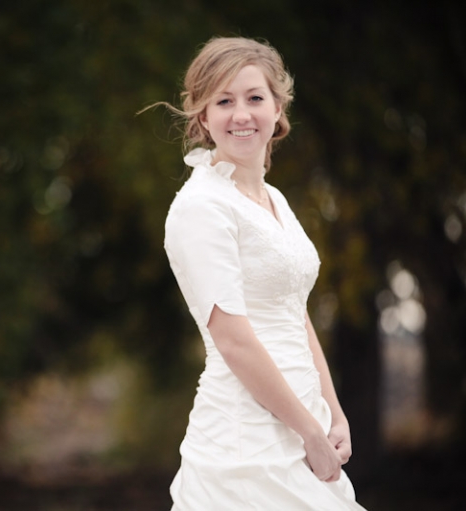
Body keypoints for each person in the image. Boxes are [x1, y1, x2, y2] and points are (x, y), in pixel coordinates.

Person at [155, 37, 367, 509]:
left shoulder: (277, 201)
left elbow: (296, 313)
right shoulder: (201, 207)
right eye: (224, 101)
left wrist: (332, 413)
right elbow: (232, 338)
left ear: (277, 108)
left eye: (254, 98)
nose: (242, 114)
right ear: (203, 116)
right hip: (245, 441)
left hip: (304, 424)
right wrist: (309, 431)